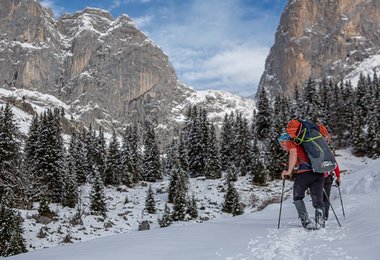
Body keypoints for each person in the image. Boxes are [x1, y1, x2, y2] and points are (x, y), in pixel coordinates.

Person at [278, 133, 325, 230]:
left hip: (304, 174)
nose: (282, 145)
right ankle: (320, 221)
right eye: (280, 144)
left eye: (283, 143)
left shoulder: (292, 143)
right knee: (318, 200)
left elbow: (293, 152)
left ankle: (306, 221)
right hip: (319, 173)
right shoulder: (304, 145)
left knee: (297, 197)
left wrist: (289, 171)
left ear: (287, 140)